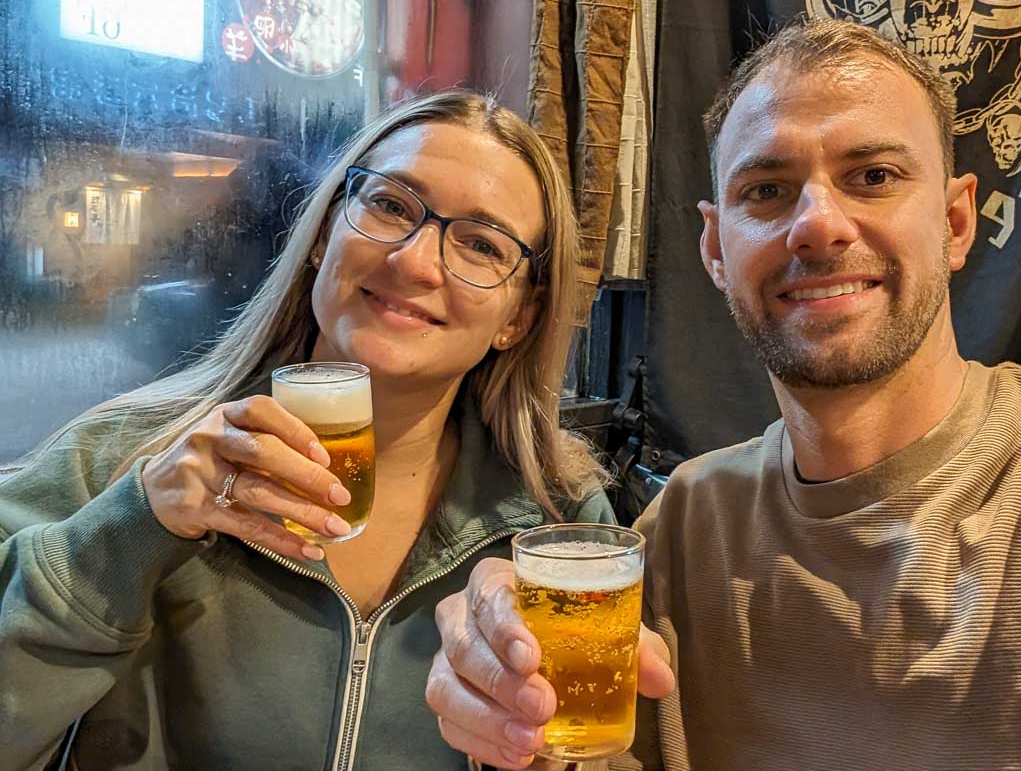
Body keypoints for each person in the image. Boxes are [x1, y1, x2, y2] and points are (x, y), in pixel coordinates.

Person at [424, 19, 1021, 770]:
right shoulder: (690, 527)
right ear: (716, 250)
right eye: (766, 189)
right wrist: (510, 718)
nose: (819, 225)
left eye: (874, 177)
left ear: (957, 221)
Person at [0, 89, 616, 770]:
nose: (414, 262)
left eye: (480, 244)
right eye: (388, 205)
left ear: (517, 321)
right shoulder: (118, 457)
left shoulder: (560, 520)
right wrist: (133, 528)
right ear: (324, 236)